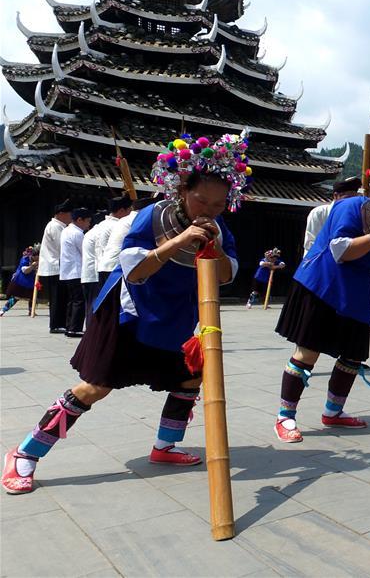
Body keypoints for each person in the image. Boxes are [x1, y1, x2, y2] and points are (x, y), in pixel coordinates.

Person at [2, 132, 245, 495]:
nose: (209, 210)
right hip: (128, 312)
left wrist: (215, 248)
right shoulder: (151, 217)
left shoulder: (219, 228)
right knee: (95, 387)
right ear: (181, 191)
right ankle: (26, 452)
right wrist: (179, 241)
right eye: (200, 200)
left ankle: (164, 447)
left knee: (188, 381)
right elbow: (136, 271)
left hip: (176, 316)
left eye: (219, 204)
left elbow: (227, 275)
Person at [273, 178, 370, 442]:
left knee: (353, 355)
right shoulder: (350, 207)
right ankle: (286, 415)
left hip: (356, 294)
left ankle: (333, 412)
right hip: (322, 286)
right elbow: (340, 251)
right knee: (308, 352)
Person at [37, 199, 73, 333]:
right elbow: (62, 246)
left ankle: (60, 323)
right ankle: (56, 324)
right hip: (55, 266)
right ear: (61, 213)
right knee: (58, 297)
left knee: (61, 297)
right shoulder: (55, 226)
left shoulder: (59, 226)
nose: (71, 217)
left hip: (57, 266)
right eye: (69, 214)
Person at [303, 176, 361, 257]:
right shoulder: (320, 213)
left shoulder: (356, 215)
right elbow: (311, 244)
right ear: (336, 196)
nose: (351, 202)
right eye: (347, 198)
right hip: (319, 262)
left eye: (354, 199)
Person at [59, 208, 93, 337]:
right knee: (79, 301)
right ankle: (75, 328)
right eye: (88, 221)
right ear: (80, 220)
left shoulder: (66, 230)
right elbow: (84, 251)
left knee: (72, 300)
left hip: (68, 270)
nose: (88, 224)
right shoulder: (78, 233)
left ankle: (69, 326)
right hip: (76, 270)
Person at [93, 195, 135, 287]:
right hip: (113, 267)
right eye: (129, 211)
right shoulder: (119, 225)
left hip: (102, 266)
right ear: (121, 211)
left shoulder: (102, 224)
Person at [80, 211, 107, 326]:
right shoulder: (98, 233)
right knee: (94, 303)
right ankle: (92, 329)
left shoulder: (90, 233)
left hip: (87, 272)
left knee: (90, 303)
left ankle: (90, 328)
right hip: (93, 273)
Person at [1, 245, 39, 316]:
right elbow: (25, 271)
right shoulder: (25, 259)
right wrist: (32, 266)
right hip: (21, 281)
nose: (38, 258)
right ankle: (3, 310)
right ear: (33, 255)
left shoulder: (39, 260)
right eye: (36, 256)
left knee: (33, 297)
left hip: (31, 282)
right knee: (16, 297)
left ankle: (31, 311)